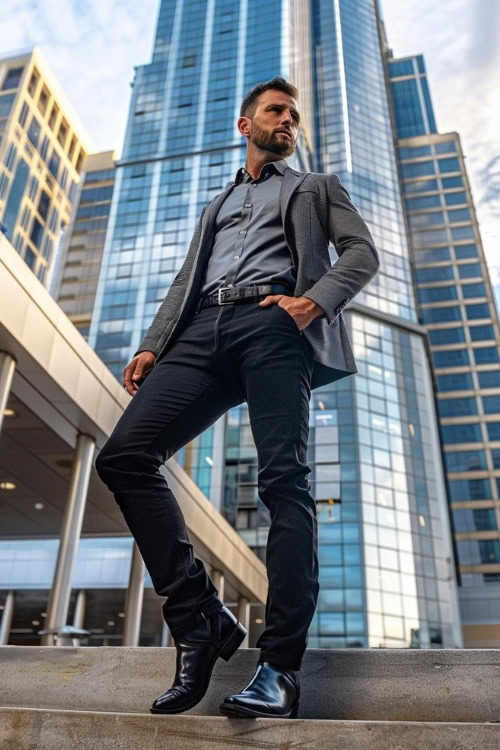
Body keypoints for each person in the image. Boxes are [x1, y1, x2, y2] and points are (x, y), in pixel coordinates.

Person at [95, 75, 379, 719]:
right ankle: (198, 619)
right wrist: (152, 342)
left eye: (294, 115)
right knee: (125, 457)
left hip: (273, 325)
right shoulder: (217, 203)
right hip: (198, 333)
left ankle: (279, 667)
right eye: (277, 111)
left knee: (285, 482)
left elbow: (362, 253)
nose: (289, 120)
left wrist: (313, 302)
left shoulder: (314, 188)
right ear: (245, 125)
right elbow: (185, 279)